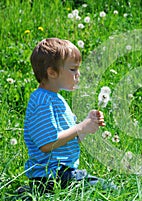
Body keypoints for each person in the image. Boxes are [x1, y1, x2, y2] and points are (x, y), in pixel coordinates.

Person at [22, 38, 115, 193]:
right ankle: (36, 190)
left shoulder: (56, 99)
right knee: (109, 190)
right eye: (73, 70)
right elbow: (47, 144)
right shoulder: (42, 101)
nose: (78, 75)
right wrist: (80, 127)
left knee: (106, 188)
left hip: (62, 173)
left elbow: (69, 141)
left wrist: (86, 128)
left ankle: (33, 191)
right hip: (51, 176)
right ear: (52, 72)